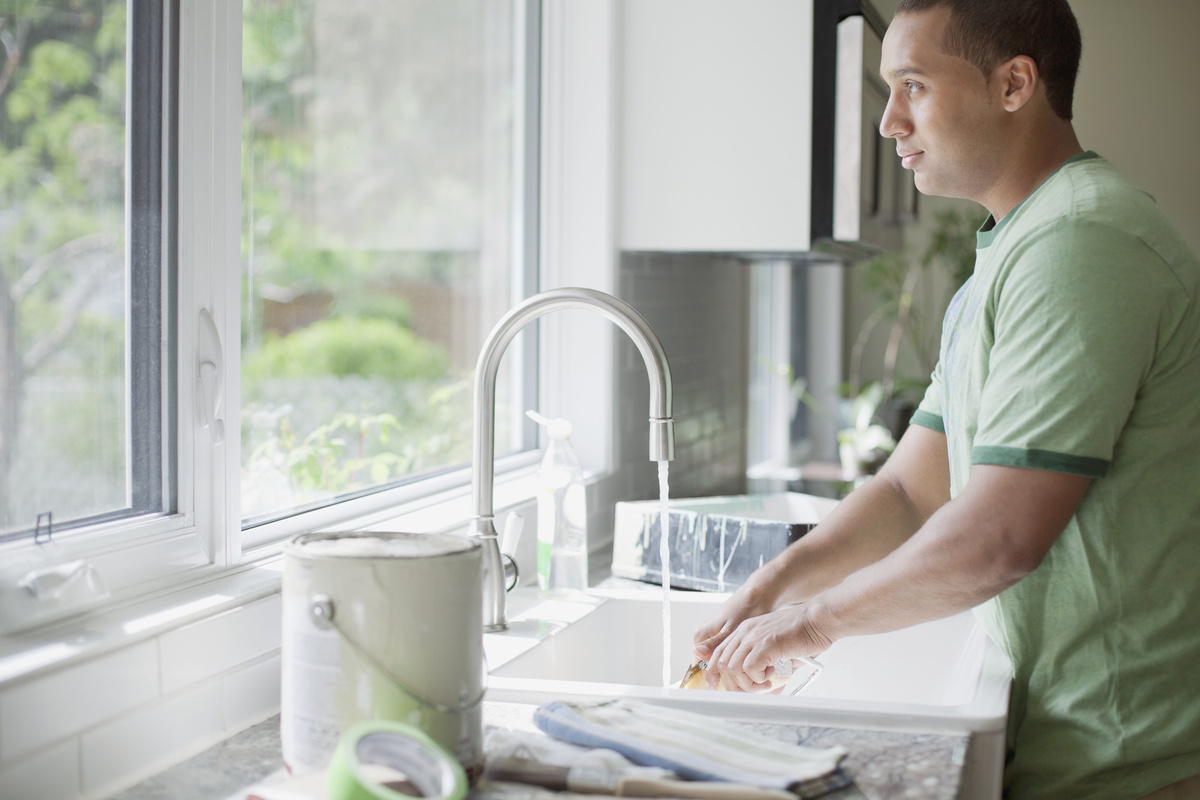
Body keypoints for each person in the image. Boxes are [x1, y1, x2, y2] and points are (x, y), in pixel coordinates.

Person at [691, 1, 1200, 798]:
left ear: (1014, 84)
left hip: (1132, 759)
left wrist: (809, 623)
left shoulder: (1082, 241)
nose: (890, 121)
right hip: (1080, 740)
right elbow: (908, 490)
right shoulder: (1013, 254)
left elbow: (997, 535)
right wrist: (770, 586)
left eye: (914, 85)